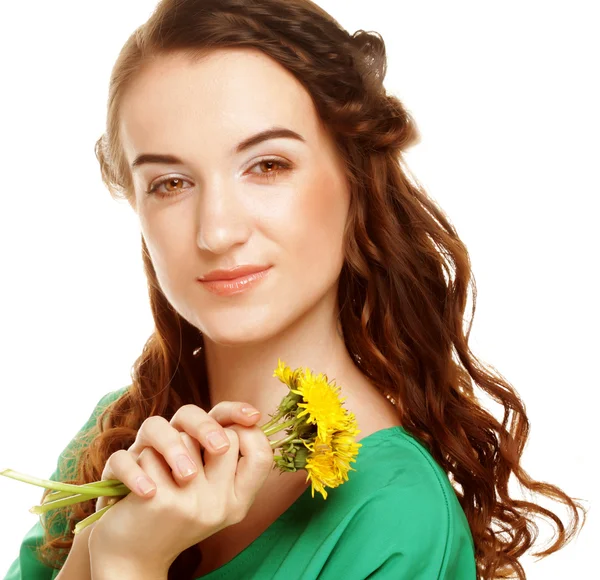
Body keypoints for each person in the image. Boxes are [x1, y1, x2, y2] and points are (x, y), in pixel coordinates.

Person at [4, 0, 587, 579]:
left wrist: (129, 562)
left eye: (267, 166)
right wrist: (94, 546)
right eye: (170, 182)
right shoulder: (116, 434)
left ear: (355, 177)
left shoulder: (395, 516)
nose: (217, 231)